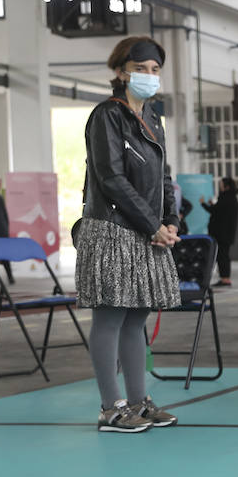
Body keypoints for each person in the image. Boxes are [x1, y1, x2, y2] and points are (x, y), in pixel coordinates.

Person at [75, 35, 182, 434]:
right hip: (111, 230)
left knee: (136, 318)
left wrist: (170, 221)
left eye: (155, 70)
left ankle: (139, 402)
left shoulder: (153, 119)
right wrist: (151, 224)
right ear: (121, 72)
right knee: (110, 317)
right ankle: (110, 408)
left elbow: (164, 176)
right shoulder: (108, 115)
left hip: (147, 232)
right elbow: (111, 179)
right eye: (140, 69)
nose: (149, 76)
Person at [200, 177, 238, 286]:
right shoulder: (232, 198)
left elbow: (215, 212)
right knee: (224, 255)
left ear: (226, 186)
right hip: (227, 233)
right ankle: (225, 278)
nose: (220, 186)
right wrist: (213, 204)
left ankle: (225, 279)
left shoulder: (225, 198)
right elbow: (220, 211)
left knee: (222, 256)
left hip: (221, 234)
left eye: (221, 184)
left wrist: (203, 204)